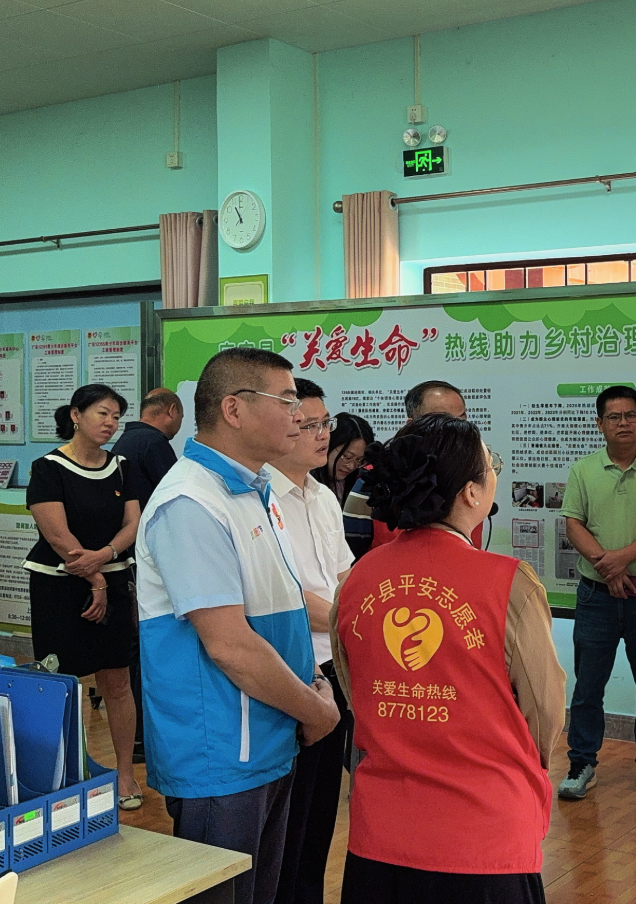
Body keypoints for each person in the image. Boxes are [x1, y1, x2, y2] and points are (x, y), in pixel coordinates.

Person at [330, 413, 565, 904]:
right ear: (472, 493)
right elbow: (543, 709)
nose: (494, 471)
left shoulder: (357, 580)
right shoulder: (510, 583)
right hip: (483, 833)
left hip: (382, 833)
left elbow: (356, 693)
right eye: (491, 464)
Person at [136, 348, 340, 904]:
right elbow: (229, 646)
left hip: (270, 737)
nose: (300, 417)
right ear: (234, 409)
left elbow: (282, 613)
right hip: (222, 753)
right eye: (287, 401)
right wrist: (315, 708)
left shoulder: (254, 491)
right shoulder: (191, 501)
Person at [556, 385, 636, 803]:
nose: (623, 423)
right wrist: (607, 567)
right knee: (587, 686)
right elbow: (573, 524)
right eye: (614, 417)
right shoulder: (583, 470)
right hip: (595, 597)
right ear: (600, 424)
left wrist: (619, 560)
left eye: (630, 415)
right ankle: (581, 762)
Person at [23, 385, 144, 808]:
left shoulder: (122, 467)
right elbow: (56, 535)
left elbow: (133, 524)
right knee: (62, 681)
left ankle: (125, 776)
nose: (110, 423)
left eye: (116, 416)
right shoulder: (48, 467)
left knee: (118, 681)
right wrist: (94, 579)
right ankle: (62, 776)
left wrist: (105, 557)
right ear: (76, 415)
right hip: (60, 583)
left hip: (112, 578)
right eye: (102, 413)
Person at [270, 379, 354, 904]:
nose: (323, 435)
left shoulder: (323, 498)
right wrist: (354, 624)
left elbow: (345, 578)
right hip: (291, 672)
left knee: (321, 814)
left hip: (334, 668)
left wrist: (351, 623)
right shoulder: (260, 498)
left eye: (326, 423)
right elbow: (286, 596)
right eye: (309, 425)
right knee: (289, 816)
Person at [109, 385, 185, 763]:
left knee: (136, 645)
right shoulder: (155, 444)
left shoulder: (123, 443)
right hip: (153, 557)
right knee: (149, 645)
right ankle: (146, 734)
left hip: (127, 556)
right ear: (170, 411)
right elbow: (177, 499)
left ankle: (138, 735)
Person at [341, 380, 482, 559]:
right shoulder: (373, 481)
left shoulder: (473, 476)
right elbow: (351, 560)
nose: (457, 432)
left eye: (461, 420)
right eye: (443, 422)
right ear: (412, 425)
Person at [114, 387, 184, 505]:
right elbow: (174, 493)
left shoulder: (126, 438)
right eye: (181, 417)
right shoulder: (155, 442)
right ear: (172, 410)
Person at [315, 412, 374, 506]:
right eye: (347, 457)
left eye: (360, 460)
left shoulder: (358, 484)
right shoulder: (308, 484)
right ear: (329, 445)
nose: (351, 466)